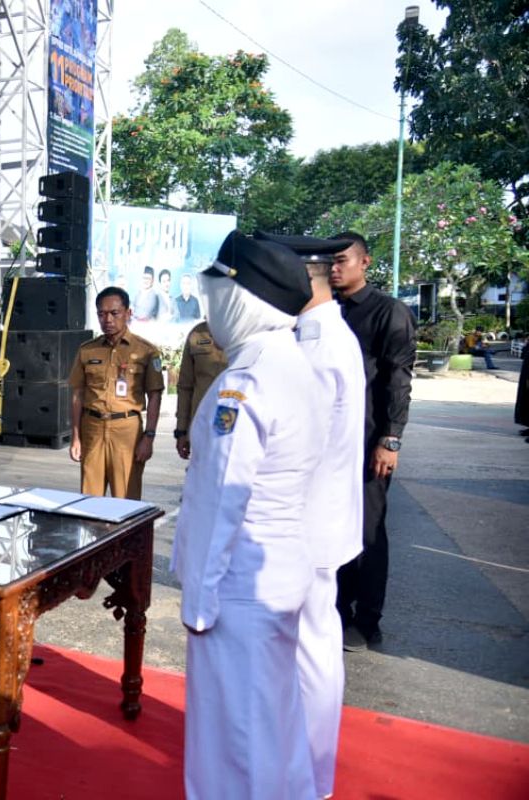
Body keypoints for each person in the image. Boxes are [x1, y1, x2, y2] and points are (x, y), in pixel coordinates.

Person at [171, 230, 324, 799]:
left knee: (235, 735)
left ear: (242, 298)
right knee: (276, 720)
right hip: (280, 572)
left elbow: (221, 497)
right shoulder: (293, 364)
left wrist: (199, 598)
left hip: (237, 585)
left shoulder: (245, 382)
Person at [258, 231, 366, 798]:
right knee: (314, 644)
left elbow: (304, 448)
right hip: (320, 520)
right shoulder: (325, 334)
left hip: (308, 524)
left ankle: (311, 774)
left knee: (312, 649)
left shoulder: (319, 345)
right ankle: (303, 765)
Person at [330, 231, 416, 651]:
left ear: (365, 262)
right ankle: (335, 610)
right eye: (329, 261)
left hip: (368, 442)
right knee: (329, 528)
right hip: (327, 443)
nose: (334, 267)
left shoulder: (388, 312)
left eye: (342, 260)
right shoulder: (324, 312)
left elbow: (399, 380)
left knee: (367, 531)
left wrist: (391, 439)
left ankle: (367, 620)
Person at [68, 287, 164, 499]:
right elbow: (77, 395)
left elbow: (155, 395)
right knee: (89, 501)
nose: (107, 319)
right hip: (92, 428)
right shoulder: (87, 350)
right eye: (101, 314)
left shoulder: (146, 351)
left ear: (128, 313)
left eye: (114, 313)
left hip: (127, 431)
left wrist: (149, 437)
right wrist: (76, 437)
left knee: (126, 500)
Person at [173, 321, 227, 460]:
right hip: (202, 427)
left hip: (237, 427)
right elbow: (185, 386)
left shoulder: (248, 334)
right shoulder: (197, 334)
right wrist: (181, 431)